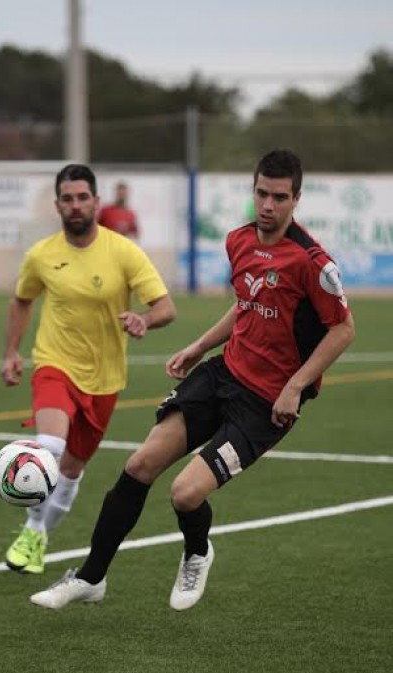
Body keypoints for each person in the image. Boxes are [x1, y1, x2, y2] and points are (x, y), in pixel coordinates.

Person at [30, 149, 355, 611]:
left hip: (265, 403)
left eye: (279, 197)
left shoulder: (311, 262)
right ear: (253, 191)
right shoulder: (239, 241)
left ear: (296, 199)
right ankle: (90, 577)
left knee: (185, 494)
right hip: (223, 374)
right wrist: (200, 346)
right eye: (262, 193)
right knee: (140, 465)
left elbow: (344, 329)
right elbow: (246, 305)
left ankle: (198, 550)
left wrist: (296, 385)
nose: (268, 204)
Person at [1, 163, 176, 575]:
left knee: (71, 469)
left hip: (104, 378)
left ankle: (39, 533)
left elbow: (166, 308)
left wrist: (144, 320)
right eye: (67, 198)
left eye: (83, 198)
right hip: (54, 363)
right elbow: (21, 299)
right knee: (50, 446)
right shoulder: (41, 255)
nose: (75, 205)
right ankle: (30, 529)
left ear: (96, 202)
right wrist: (11, 351)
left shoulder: (124, 252)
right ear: (57, 204)